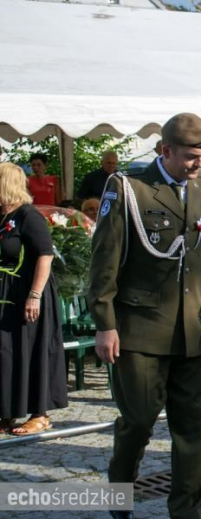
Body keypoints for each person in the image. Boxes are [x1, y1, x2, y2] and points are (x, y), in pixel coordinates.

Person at [87, 113, 201, 519]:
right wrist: (105, 324)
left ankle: (186, 511)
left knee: (192, 430)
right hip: (140, 332)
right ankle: (119, 490)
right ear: (165, 150)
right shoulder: (130, 190)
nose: (197, 164)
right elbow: (104, 263)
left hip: (194, 331)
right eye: (189, 156)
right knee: (139, 422)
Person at [0, 163, 67, 436]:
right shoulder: (3, 217)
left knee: (33, 350)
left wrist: (34, 295)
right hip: (6, 295)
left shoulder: (29, 215)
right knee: (5, 353)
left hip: (29, 292)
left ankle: (40, 414)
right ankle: (6, 413)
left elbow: (45, 255)